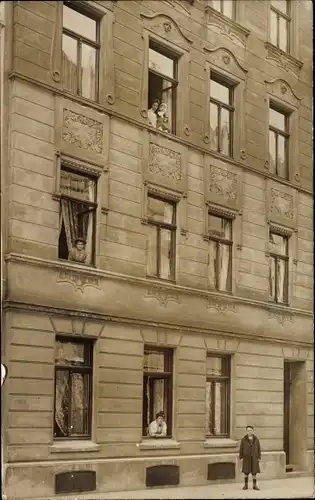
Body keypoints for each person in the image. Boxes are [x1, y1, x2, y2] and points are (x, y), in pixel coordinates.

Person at [239, 425, 261, 490]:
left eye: (250, 430)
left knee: (254, 472)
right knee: (246, 472)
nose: (249, 431)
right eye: (248, 430)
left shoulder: (256, 439)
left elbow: (259, 449)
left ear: (252, 431)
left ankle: (254, 485)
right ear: (246, 431)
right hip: (246, 458)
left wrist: (259, 457)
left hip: (254, 457)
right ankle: (246, 485)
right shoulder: (244, 439)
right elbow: (241, 449)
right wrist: (241, 457)